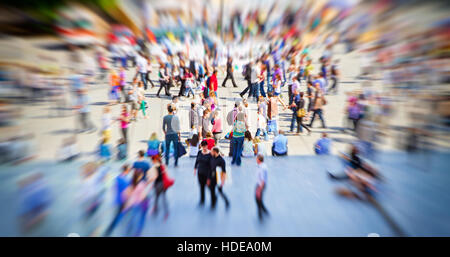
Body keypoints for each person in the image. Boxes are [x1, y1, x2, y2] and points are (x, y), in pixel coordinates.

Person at [104, 164, 131, 236]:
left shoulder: (118, 177)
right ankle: (110, 230)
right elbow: (127, 192)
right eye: (129, 169)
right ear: (127, 170)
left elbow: (113, 187)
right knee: (119, 216)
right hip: (123, 201)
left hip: (117, 199)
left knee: (119, 215)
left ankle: (110, 229)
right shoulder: (125, 180)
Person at [194, 141, 215, 207]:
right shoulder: (199, 152)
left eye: (205, 146)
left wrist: (209, 178)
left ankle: (213, 201)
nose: (204, 148)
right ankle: (202, 200)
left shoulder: (210, 154)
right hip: (200, 173)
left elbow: (212, 167)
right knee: (202, 187)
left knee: (210, 188)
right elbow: (197, 160)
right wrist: (195, 168)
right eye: (203, 146)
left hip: (207, 173)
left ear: (207, 146)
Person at [148, 155, 170, 219]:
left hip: (158, 184)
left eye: (152, 160)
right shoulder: (163, 166)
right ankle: (166, 212)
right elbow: (166, 174)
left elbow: (154, 176)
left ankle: (155, 210)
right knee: (164, 198)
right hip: (164, 184)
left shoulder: (154, 167)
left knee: (156, 197)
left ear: (154, 160)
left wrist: (148, 182)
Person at [255, 154, 269, 220]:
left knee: (258, 199)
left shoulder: (262, 168)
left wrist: (259, 189)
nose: (256, 160)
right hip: (259, 184)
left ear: (259, 160)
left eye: (256, 159)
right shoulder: (262, 166)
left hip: (260, 185)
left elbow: (263, 179)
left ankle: (261, 213)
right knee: (259, 199)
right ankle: (263, 211)